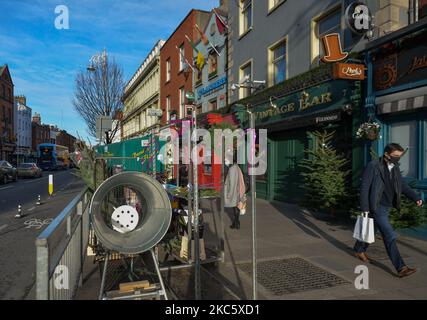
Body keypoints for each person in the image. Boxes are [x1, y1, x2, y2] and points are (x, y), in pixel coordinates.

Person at [354, 143, 423, 278]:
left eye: (399, 156)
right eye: (395, 156)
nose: (398, 158)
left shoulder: (395, 166)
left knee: (371, 229)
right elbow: (365, 187)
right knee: (389, 235)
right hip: (376, 205)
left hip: (386, 206)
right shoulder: (373, 166)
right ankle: (401, 268)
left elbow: (402, 185)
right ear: (386, 154)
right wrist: (365, 208)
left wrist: (415, 197)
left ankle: (359, 249)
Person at [224, 159, 246, 230]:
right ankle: (235, 222)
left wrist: (229, 195)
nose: (225, 161)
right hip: (238, 190)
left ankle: (236, 223)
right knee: (236, 207)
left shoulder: (232, 169)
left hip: (235, 192)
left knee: (235, 207)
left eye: (226, 160)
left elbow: (232, 183)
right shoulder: (236, 167)